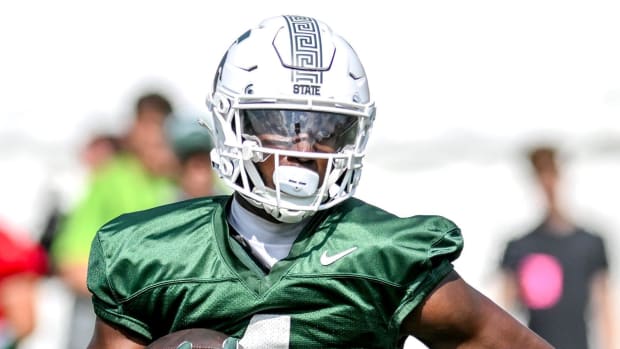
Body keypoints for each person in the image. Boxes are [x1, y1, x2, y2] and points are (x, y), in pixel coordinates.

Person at [86, 15, 552, 348]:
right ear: (235, 123)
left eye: (326, 126)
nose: (304, 145)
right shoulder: (152, 254)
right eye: (282, 121)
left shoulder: (382, 253)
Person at [51, 92, 180, 349]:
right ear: (134, 127)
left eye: (161, 127)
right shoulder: (110, 179)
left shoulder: (194, 179)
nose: (154, 137)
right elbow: (71, 264)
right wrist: (145, 291)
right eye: (148, 125)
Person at [499, 146, 615, 349]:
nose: (548, 183)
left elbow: (605, 309)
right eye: (541, 174)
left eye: (551, 172)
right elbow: (503, 311)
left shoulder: (590, 242)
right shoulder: (520, 247)